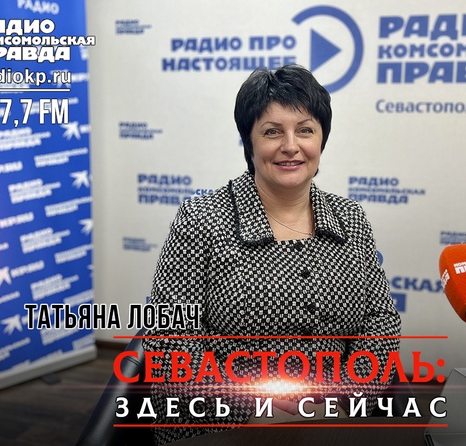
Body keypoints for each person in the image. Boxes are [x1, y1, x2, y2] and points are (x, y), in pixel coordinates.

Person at [143, 64, 401, 445]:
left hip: (332, 425)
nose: (291, 145)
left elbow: (381, 322)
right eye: (272, 131)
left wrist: (344, 400)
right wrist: (254, 410)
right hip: (222, 430)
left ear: (322, 140)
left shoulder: (350, 218)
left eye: (305, 130)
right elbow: (168, 339)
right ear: (249, 143)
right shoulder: (201, 219)